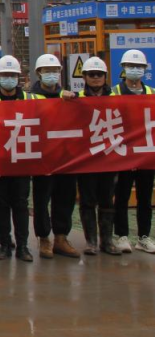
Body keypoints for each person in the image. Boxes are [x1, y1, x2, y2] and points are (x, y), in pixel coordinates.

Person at [0, 56, 42, 262]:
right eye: (5, 75)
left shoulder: (30, 98)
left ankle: (23, 246)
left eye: (12, 75)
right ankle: (5, 244)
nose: (9, 79)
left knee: (21, 204)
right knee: (1, 204)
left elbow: (52, 110)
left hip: (22, 161)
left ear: (19, 77)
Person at [29, 54, 81, 259]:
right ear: (39, 73)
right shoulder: (29, 99)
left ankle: (61, 238)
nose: (51, 74)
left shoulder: (68, 97)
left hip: (65, 157)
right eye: (47, 71)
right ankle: (44, 238)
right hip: (42, 158)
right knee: (42, 199)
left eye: (55, 71)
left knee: (65, 197)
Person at [67, 56, 120, 255]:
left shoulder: (116, 98)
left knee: (107, 199)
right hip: (86, 159)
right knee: (87, 200)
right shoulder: (76, 98)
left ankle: (107, 241)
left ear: (105, 76)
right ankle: (91, 242)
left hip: (109, 158)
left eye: (99, 74)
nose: (96, 78)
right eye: (91, 74)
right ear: (84, 77)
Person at [112, 50, 155, 254]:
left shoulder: (152, 93)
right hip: (124, 153)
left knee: (145, 198)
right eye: (131, 66)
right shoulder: (114, 93)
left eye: (139, 67)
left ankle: (143, 237)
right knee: (121, 195)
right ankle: (121, 235)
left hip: (146, 154)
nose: (135, 69)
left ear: (145, 69)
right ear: (123, 68)